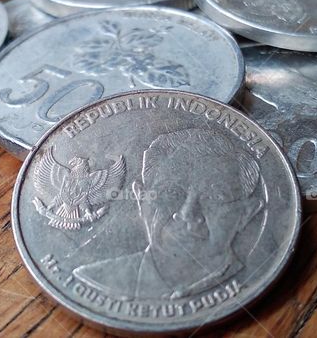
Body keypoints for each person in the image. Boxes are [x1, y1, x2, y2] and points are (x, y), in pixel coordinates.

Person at [73, 128, 265, 300]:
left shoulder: (258, 279)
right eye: (172, 192)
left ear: (245, 213)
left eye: (214, 196)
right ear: (141, 199)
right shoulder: (96, 279)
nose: (187, 213)